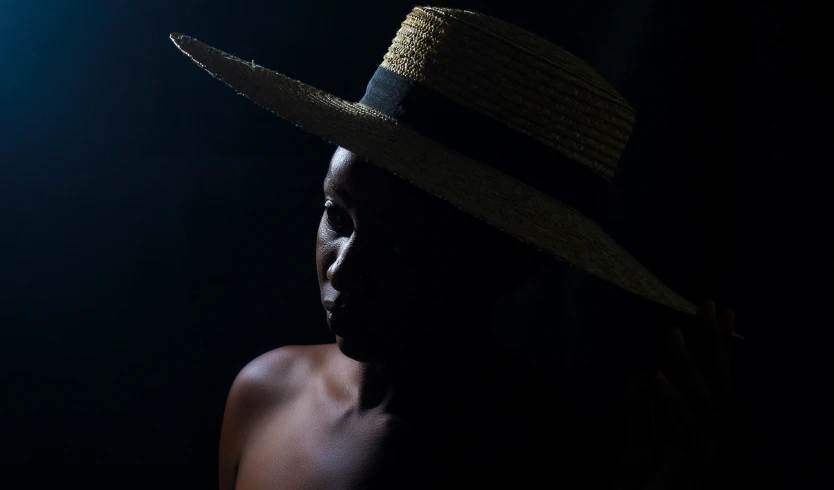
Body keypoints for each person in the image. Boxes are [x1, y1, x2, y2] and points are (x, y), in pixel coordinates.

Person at [169, 6, 739, 489]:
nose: (343, 269)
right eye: (337, 216)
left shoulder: (562, 462)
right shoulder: (264, 394)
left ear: (506, 264)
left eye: (400, 249)